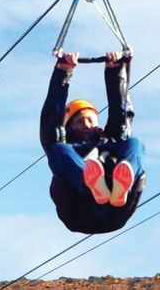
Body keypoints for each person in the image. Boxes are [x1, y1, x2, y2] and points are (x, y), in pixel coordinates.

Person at [40, 50, 144, 234]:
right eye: (80, 121)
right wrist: (63, 72)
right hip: (80, 211)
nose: (87, 124)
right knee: (57, 149)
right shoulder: (67, 146)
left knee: (133, 143)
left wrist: (116, 71)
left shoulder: (108, 141)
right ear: (70, 127)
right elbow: (52, 117)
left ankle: (121, 185)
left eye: (90, 120)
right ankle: (90, 182)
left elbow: (121, 115)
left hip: (116, 208)